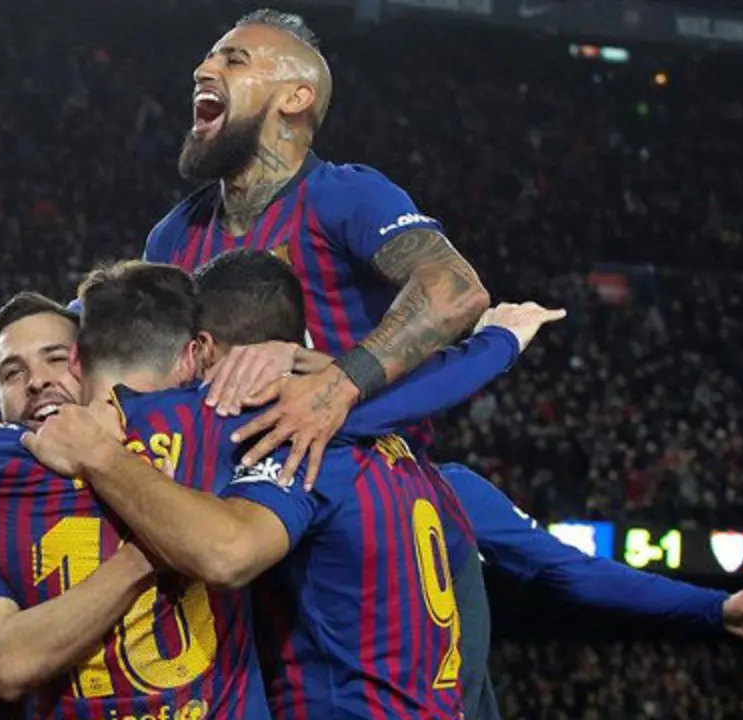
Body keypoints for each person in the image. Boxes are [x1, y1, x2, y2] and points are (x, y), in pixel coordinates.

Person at [19, 259, 558, 719]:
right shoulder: (269, 419)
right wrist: (499, 341)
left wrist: (73, 433)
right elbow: (404, 392)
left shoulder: (17, 451)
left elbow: (3, 664)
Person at [144, 8, 491, 486]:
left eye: (235, 61)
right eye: (208, 59)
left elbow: (455, 290)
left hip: (362, 482)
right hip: (223, 488)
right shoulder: (173, 234)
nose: (203, 71)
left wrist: (334, 387)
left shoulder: (344, 195)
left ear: (295, 97)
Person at [0, 292, 273, 719]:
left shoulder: (194, 442)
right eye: (12, 373)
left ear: (89, 363)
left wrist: (291, 362)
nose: (37, 380)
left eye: (56, 358)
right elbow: (5, 663)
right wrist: (156, 547)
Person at [437, 462, 743, 719]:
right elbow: (576, 572)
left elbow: (575, 572)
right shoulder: (447, 488)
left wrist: (713, 607)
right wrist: (712, 607)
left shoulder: (448, 489)